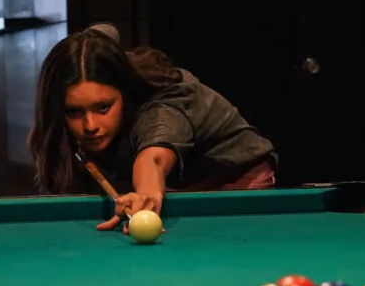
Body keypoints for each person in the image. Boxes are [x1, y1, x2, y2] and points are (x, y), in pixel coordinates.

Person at [28, 23, 277, 232]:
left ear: (124, 92)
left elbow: (154, 158)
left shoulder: (163, 104)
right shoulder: (94, 67)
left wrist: (146, 193)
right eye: (74, 111)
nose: (90, 125)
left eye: (103, 107)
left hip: (232, 178)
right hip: (174, 183)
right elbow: (103, 32)